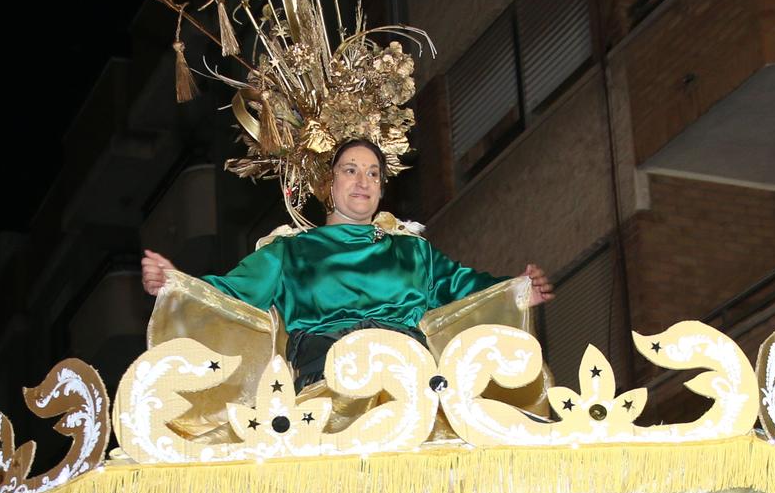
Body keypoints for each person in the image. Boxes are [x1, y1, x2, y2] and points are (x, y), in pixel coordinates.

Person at [140, 139, 554, 388]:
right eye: (351, 170)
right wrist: (176, 284)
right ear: (329, 183)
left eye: (374, 174)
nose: (363, 182)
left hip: (411, 380)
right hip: (325, 382)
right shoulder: (290, 251)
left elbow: (465, 286)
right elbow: (232, 293)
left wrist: (515, 290)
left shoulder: (411, 251)